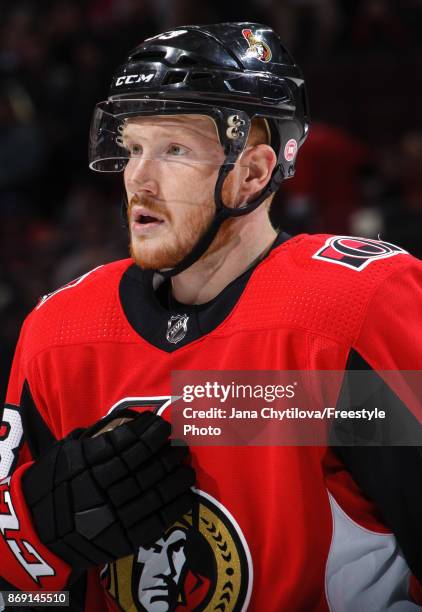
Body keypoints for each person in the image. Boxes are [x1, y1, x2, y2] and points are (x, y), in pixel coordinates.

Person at [0, 22, 421, 611]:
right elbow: (16, 601)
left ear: (252, 172)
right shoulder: (59, 334)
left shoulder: (348, 311)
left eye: (173, 150)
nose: (138, 179)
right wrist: (38, 543)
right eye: (134, 147)